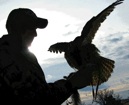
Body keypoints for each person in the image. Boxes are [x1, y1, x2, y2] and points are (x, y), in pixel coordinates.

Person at [0, 8, 94, 105]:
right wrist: (71, 84)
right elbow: (37, 99)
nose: (35, 34)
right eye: (32, 28)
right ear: (20, 28)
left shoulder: (20, 54)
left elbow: (37, 90)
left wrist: (69, 82)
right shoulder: (7, 56)